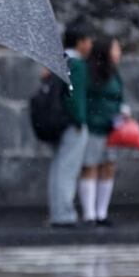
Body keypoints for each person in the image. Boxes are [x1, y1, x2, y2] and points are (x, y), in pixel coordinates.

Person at [48, 20, 92, 228]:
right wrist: (80, 120)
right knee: (68, 169)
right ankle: (64, 213)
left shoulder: (60, 61)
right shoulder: (78, 65)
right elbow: (75, 98)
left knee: (59, 168)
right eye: (88, 40)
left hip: (57, 121)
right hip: (71, 124)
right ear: (81, 42)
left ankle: (58, 210)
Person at [80, 37, 125, 226]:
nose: (118, 53)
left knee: (108, 167)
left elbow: (119, 97)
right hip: (94, 126)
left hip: (111, 128)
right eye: (115, 49)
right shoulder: (90, 72)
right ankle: (89, 214)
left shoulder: (115, 73)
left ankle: (101, 213)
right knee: (90, 167)